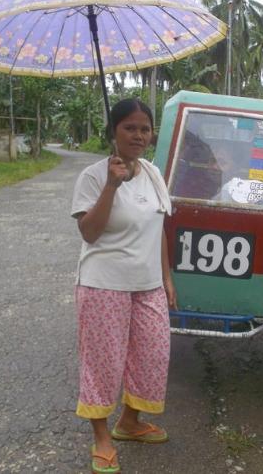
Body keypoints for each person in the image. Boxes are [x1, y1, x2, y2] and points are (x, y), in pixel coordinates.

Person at [70, 98, 177, 474]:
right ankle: (102, 439)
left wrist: (166, 278)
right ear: (113, 131)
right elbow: (89, 232)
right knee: (103, 364)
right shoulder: (93, 176)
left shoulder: (153, 173)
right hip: (103, 285)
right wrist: (111, 187)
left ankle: (130, 423)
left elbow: (159, 228)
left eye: (145, 128)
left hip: (147, 285)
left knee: (153, 355)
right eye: (129, 127)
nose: (138, 135)